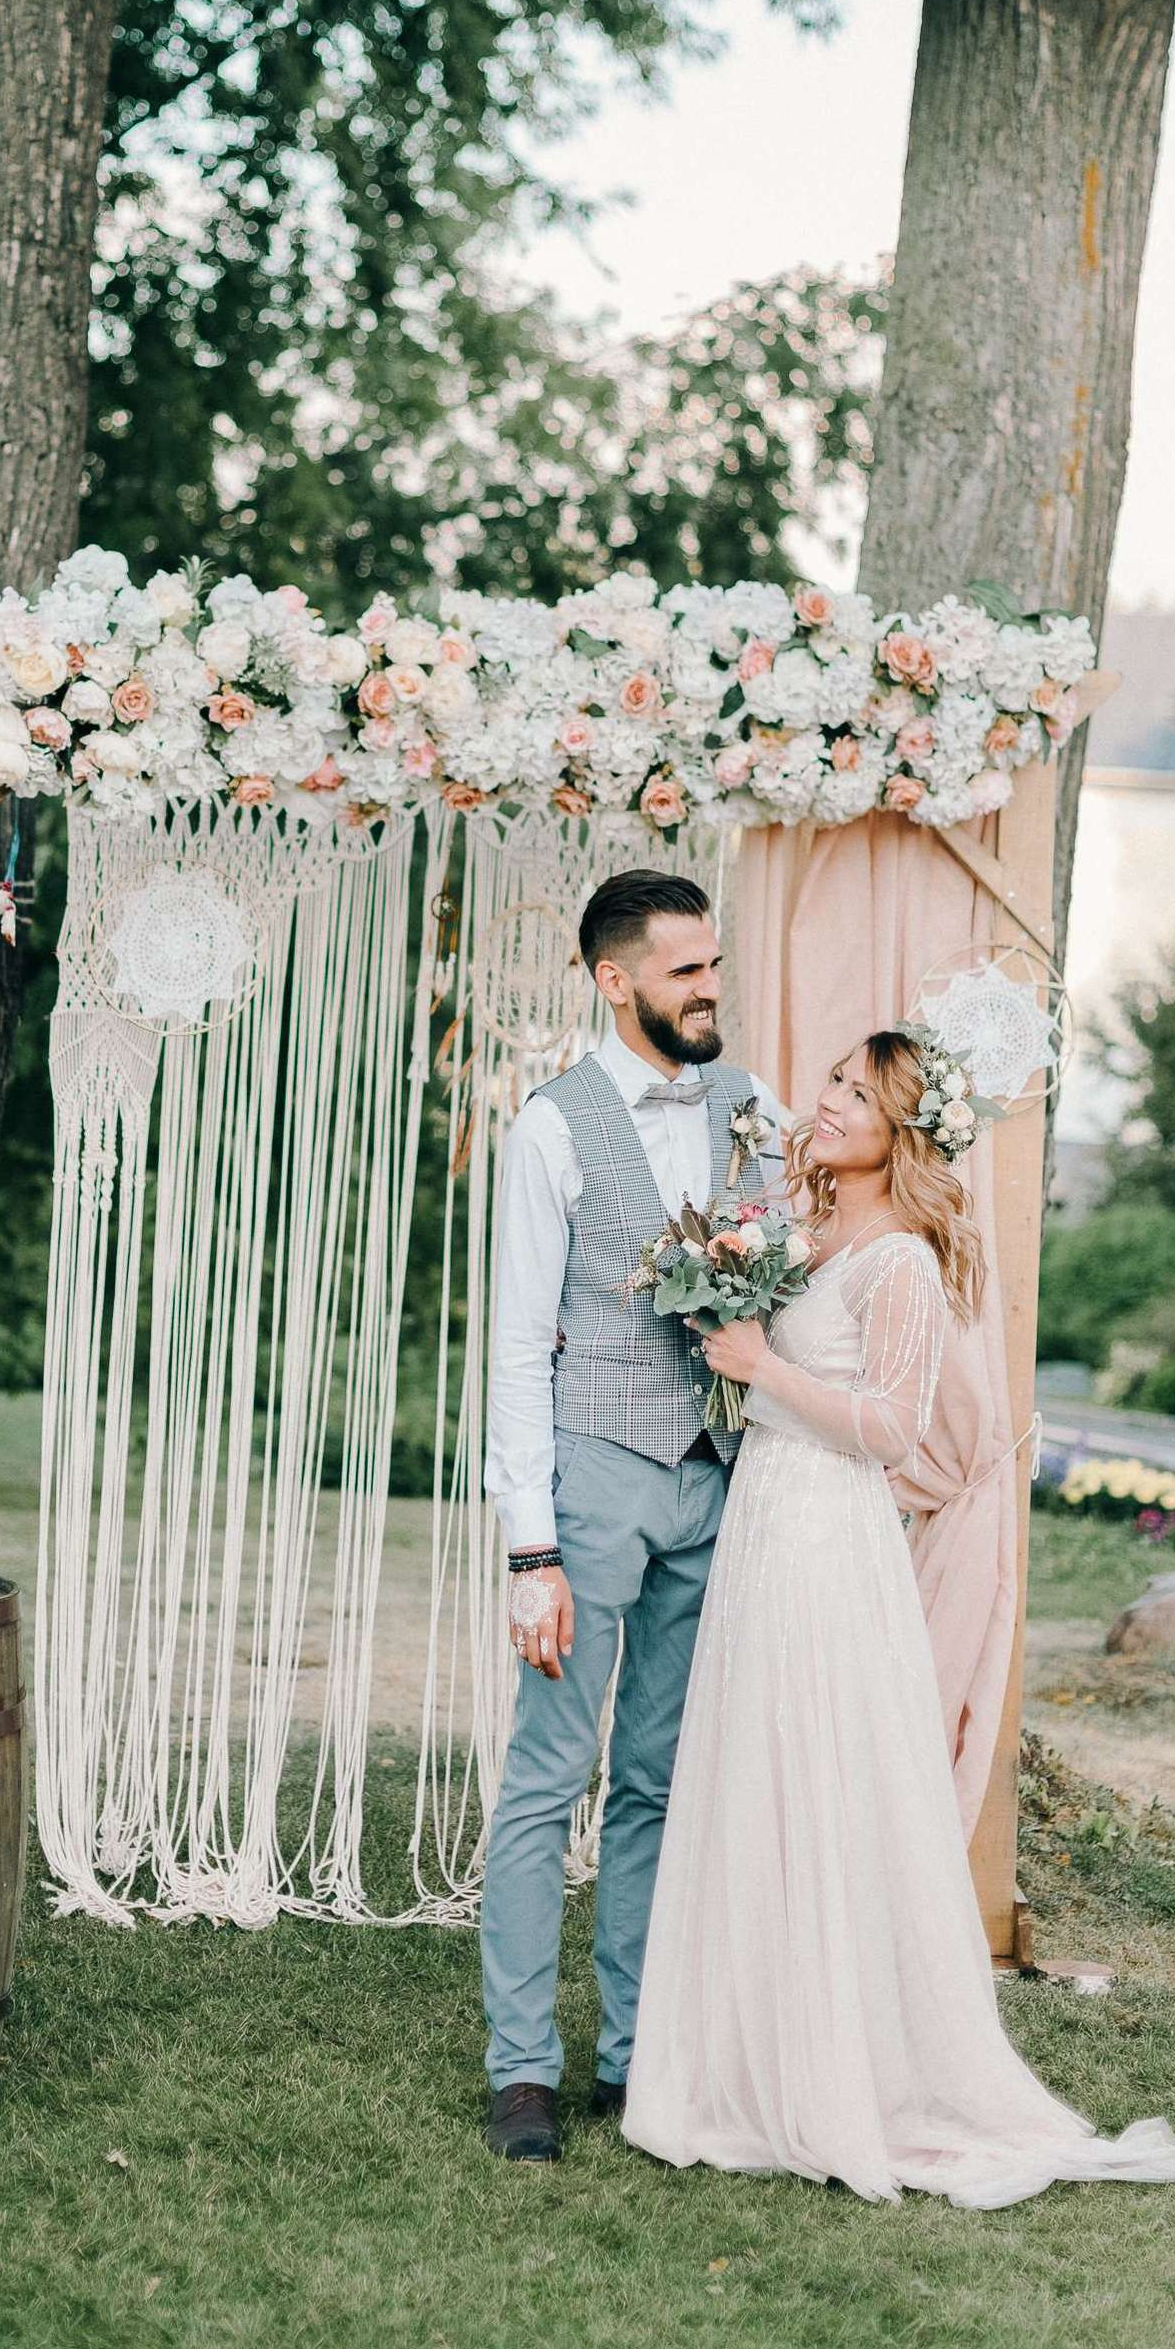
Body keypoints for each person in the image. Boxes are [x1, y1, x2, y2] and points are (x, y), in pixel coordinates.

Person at [621, 1030, 1175, 2206]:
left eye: (855, 1093)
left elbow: (890, 1427)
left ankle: (841, 2069)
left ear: (902, 1130)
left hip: (829, 1542)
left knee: (819, 1781)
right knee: (753, 1776)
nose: (826, 1101)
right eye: (829, 1080)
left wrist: (757, 1366)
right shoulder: (806, 1234)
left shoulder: (902, 1264)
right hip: (764, 1528)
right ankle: (744, 2051)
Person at [479, 869, 785, 2164]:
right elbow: (514, 1347)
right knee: (552, 1777)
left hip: (714, 1482)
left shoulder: (752, 1110)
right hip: (594, 1473)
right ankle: (522, 2071)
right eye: (686, 971)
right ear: (618, 983)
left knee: (661, 1779)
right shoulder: (552, 1127)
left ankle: (636, 2050)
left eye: (715, 966)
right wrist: (531, 1547)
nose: (712, 989)